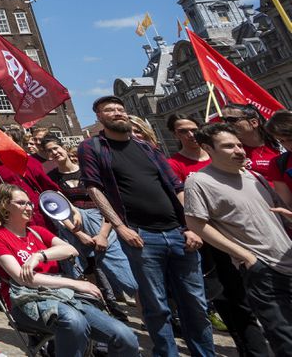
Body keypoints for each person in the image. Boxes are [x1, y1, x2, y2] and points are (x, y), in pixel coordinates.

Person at [79, 95, 214, 357]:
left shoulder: (147, 148)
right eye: (109, 110)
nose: (117, 113)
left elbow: (176, 187)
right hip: (141, 234)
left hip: (178, 231)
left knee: (195, 303)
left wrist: (191, 226)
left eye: (120, 109)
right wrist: (120, 227)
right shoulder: (92, 147)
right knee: (157, 305)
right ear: (99, 117)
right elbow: (94, 188)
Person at [0, 184, 138, 357]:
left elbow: (70, 250)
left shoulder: (37, 232)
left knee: (126, 336)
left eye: (30, 203)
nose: (29, 208)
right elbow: (23, 278)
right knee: (74, 322)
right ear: (5, 204)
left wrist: (39, 256)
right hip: (27, 300)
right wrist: (75, 284)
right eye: (22, 203)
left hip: (64, 297)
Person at [183, 122, 292, 352]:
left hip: (287, 259)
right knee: (285, 339)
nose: (239, 150)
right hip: (262, 271)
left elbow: (278, 212)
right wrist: (245, 256)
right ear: (208, 149)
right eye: (228, 146)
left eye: (240, 145)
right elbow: (195, 223)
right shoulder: (199, 182)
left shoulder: (254, 176)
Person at [39, 136, 136, 309]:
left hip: (102, 225)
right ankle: (101, 309)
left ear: (63, 148)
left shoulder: (88, 171)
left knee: (124, 274)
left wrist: (103, 234)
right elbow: (56, 210)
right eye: (49, 151)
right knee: (86, 274)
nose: (54, 153)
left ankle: (139, 311)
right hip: (74, 231)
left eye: (56, 148)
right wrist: (79, 234)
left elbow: (108, 203)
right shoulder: (52, 178)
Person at [219, 103, 282, 181]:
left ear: (254, 122)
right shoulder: (230, 152)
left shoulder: (281, 143)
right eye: (224, 120)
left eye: (231, 120)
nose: (225, 124)